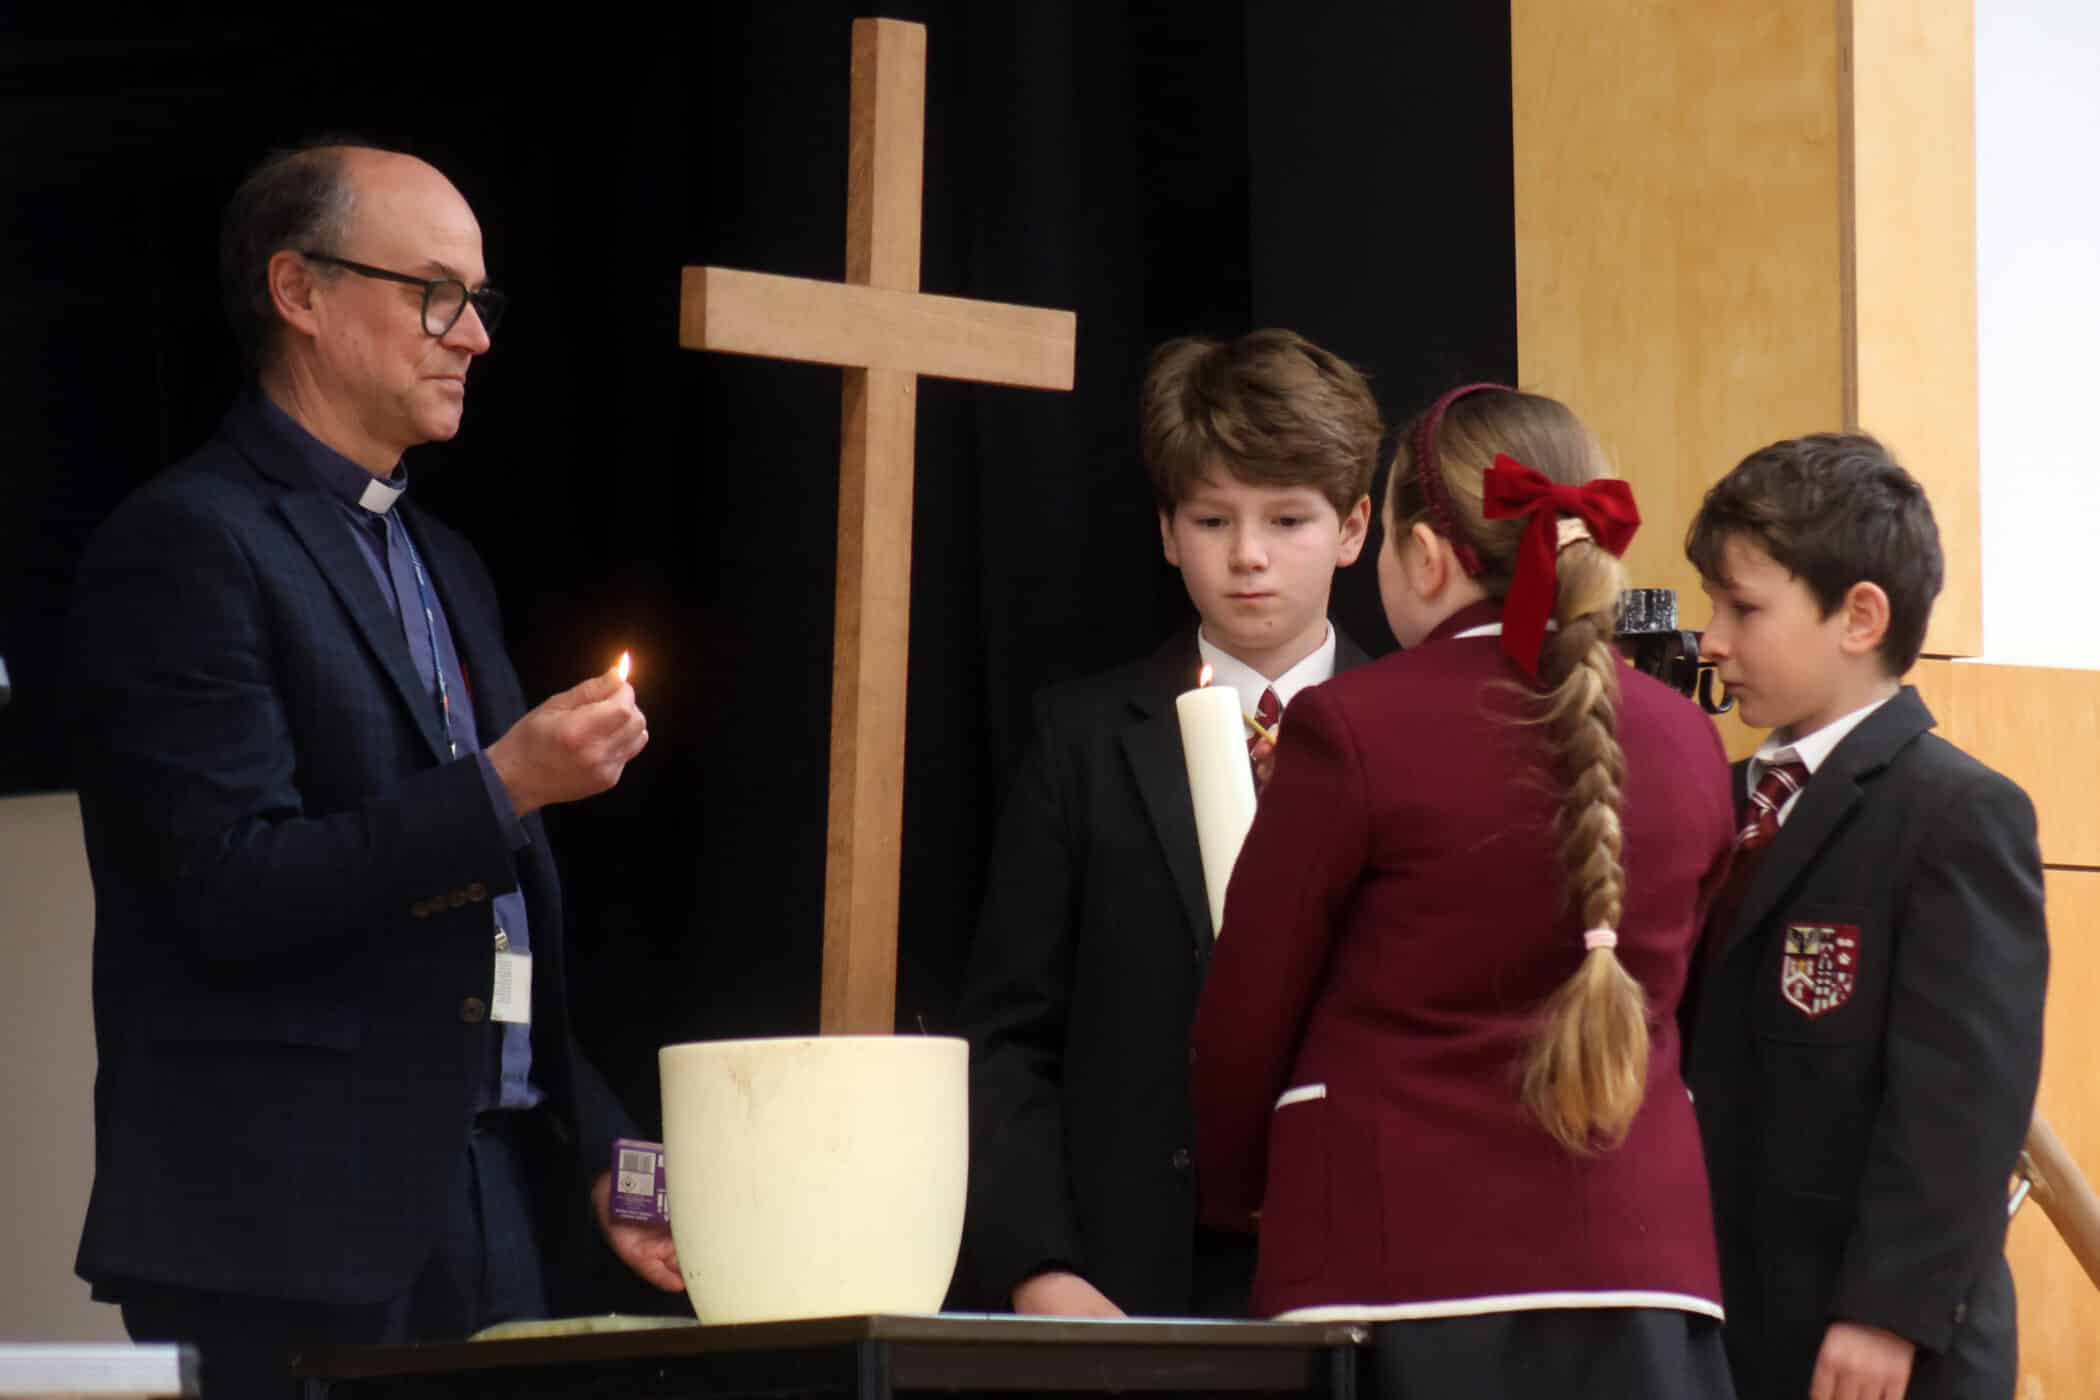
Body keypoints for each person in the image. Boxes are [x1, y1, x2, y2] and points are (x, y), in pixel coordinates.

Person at [68, 142, 680, 1398]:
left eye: (480, 302)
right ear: (298, 291)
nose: (474, 337)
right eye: (434, 293)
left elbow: (500, 932)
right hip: (284, 1220)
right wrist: (504, 783)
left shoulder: (443, 559)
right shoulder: (188, 542)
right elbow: (229, 886)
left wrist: (614, 1158)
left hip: (485, 1185)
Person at [1191, 384, 1740, 1396]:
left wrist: (1236, 1194)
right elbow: (1695, 1003)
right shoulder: (1690, 739)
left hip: (1395, 1277)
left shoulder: (1352, 727)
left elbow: (1247, 1008)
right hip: (1644, 1273)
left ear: (1426, 553)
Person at [954, 329, 1382, 1318]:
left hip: (1366, 1261)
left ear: (1355, 526)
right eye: (1211, 518)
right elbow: (1009, 1031)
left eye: (1288, 518)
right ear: (1165, 529)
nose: (1249, 556)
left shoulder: (1410, 728)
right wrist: (1039, 1265)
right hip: (1136, 1267)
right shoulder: (1084, 735)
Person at [1683, 432, 2048, 1400]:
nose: (1710, 639)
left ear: (1859, 616)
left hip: (1877, 1345)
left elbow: (1961, 1097)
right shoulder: (1712, 799)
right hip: (1727, 1326)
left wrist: (1888, 1309)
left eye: (1742, 607)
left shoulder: (1957, 813)